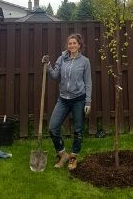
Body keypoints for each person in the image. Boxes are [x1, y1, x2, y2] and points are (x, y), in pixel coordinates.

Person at [43, 33, 92, 170]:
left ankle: (73, 157)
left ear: (79, 45)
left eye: (74, 43)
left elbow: (88, 82)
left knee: (78, 130)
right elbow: (54, 75)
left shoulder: (84, 61)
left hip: (79, 99)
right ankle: (63, 154)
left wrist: (88, 102)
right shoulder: (62, 59)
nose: (72, 46)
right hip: (63, 99)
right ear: (67, 45)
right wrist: (48, 65)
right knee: (53, 127)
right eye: (70, 43)